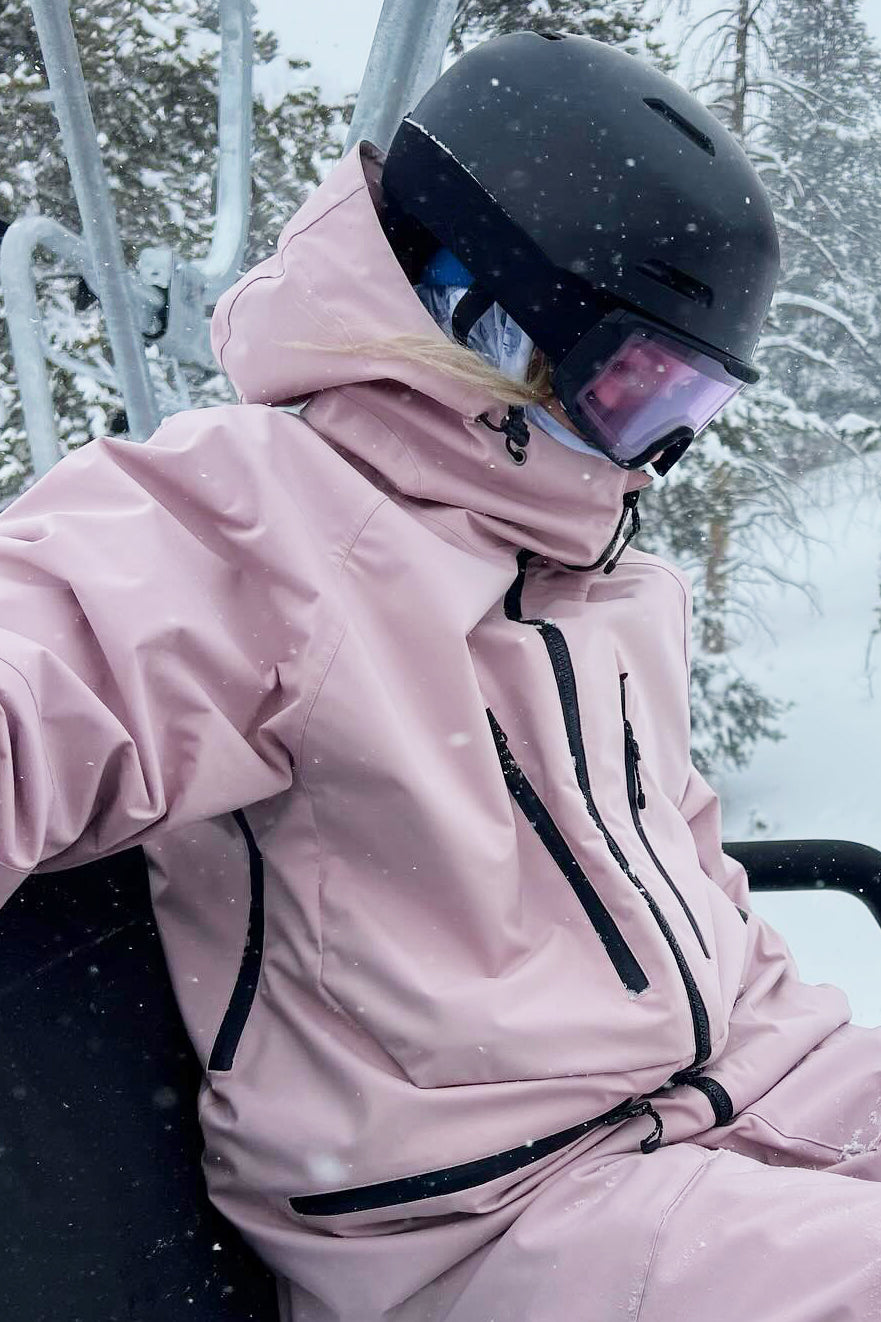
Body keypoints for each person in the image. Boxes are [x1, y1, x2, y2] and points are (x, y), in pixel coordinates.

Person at [1, 29, 880, 1322]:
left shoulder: (598, 576)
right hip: (488, 1215)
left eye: (689, 412)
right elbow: (39, 661)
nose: (655, 459)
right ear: (490, 317)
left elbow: (688, 883)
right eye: (638, 394)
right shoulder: (257, 517)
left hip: (740, 1094)